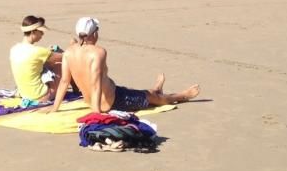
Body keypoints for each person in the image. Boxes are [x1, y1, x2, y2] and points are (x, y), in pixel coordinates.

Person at [45, 17, 199, 114]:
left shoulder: (69, 52)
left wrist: (55, 108)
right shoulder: (98, 52)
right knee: (153, 98)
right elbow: (96, 84)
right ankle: (182, 96)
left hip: (96, 98)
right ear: (94, 34)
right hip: (112, 101)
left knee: (145, 93)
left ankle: (157, 89)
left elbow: (65, 82)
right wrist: (97, 112)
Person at [9, 15, 64, 104]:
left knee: (42, 65)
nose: (42, 34)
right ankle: (76, 89)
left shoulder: (14, 49)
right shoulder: (38, 51)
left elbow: (32, 61)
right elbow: (64, 57)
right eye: (40, 32)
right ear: (33, 32)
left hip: (25, 94)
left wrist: (46, 52)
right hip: (40, 96)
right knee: (60, 64)